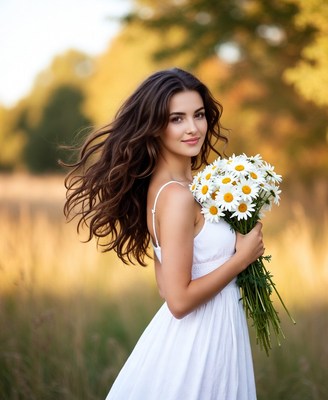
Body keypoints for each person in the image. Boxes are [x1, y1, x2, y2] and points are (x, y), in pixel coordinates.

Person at [64, 68, 264, 399]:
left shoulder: (174, 189)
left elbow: (164, 283)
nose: (193, 128)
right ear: (155, 127)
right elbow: (178, 300)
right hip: (196, 344)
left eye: (198, 115)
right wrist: (242, 258)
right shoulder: (177, 196)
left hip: (211, 333)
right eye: (177, 119)